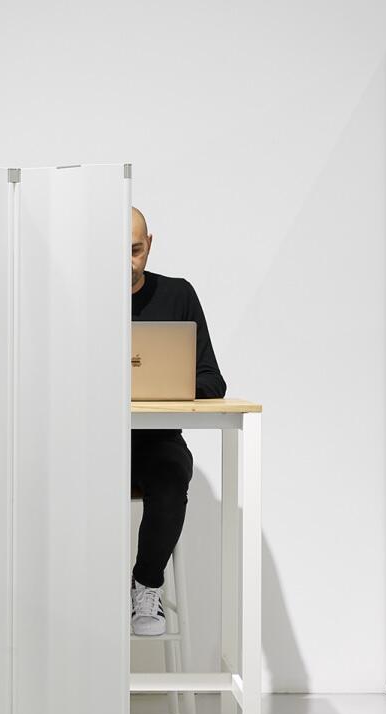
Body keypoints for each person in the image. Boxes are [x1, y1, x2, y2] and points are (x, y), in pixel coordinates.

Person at [130, 206, 226, 636]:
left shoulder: (177, 295)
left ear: (149, 245)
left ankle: (146, 585)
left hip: (157, 440)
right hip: (95, 441)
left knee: (171, 477)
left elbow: (212, 380)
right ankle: (73, 597)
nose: (127, 262)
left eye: (135, 250)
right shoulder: (83, 299)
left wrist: (168, 383)